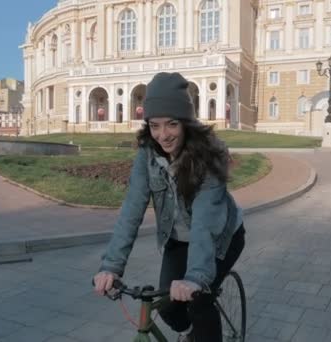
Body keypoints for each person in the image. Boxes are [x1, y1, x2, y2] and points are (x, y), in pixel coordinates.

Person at [93, 72, 245, 342]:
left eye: (172, 124)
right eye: (155, 125)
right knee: (169, 311)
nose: (163, 135)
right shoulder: (147, 154)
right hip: (178, 239)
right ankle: (190, 334)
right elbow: (132, 208)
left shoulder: (209, 155)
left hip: (221, 236)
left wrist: (195, 278)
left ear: (186, 122)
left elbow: (205, 222)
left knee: (199, 301)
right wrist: (111, 267)